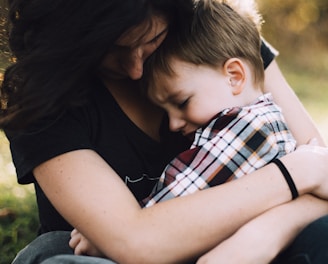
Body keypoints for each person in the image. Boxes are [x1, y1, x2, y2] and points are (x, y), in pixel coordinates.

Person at [0, 0, 328, 263]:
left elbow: (324, 185)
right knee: (55, 253)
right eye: (109, 49)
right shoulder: (41, 95)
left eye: (151, 40)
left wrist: (263, 235)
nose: (135, 70)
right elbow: (134, 242)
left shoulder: (218, 39)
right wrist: (296, 172)